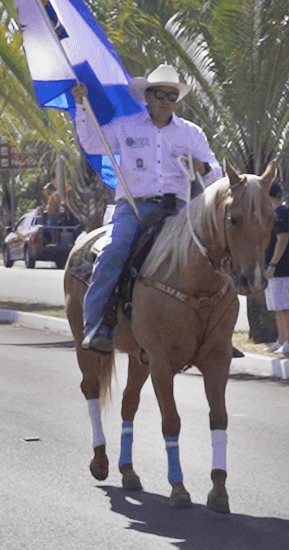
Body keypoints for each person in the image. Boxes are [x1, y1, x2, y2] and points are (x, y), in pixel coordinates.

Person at [72, 63, 222, 355]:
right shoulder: (125, 126)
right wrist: (81, 107)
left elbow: (215, 172)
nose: (165, 100)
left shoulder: (191, 134)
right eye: (160, 94)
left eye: (171, 95)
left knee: (212, 254)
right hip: (133, 207)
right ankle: (97, 324)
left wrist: (203, 167)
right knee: (116, 250)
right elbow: (92, 144)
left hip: (177, 211)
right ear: (147, 96)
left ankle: (217, 330)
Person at [264, 182, 289, 354]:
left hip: (280, 267)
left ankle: (288, 340)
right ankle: (281, 339)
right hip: (270, 267)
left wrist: (273, 264)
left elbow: (282, 239)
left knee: (283, 306)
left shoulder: (281, 213)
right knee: (276, 307)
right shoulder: (273, 214)